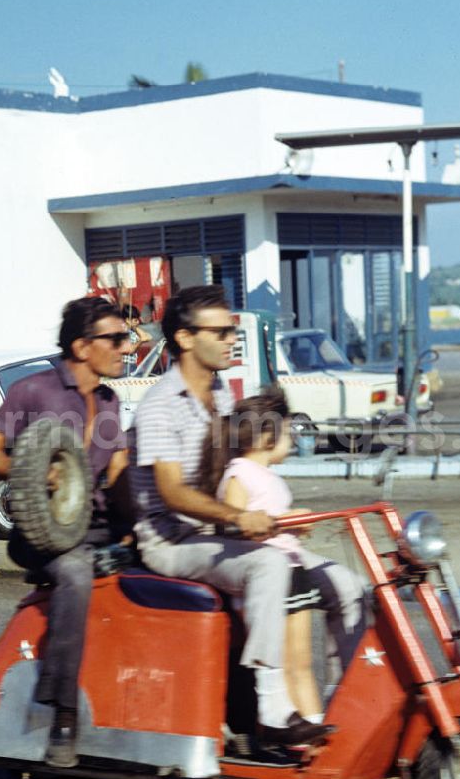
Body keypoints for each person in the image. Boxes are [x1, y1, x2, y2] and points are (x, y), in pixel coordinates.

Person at [129, 285, 329, 749]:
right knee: (269, 564)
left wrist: (275, 513)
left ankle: (323, 709)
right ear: (184, 338)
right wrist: (241, 518)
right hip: (171, 542)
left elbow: (240, 468)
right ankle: (274, 708)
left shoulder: (220, 393)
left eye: (232, 331)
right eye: (219, 332)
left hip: (212, 534)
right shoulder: (159, 404)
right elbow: (172, 491)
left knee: (337, 580)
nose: (230, 340)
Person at [0, 296, 133, 767]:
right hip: (43, 537)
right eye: (116, 339)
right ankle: (61, 713)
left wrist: (145, 521)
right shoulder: (33, 391)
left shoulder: (109, 400)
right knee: (78, 574)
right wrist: (37, 472)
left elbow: (118, 470)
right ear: (83, 346)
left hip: (97, 527)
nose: (127, 347)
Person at [203, 387, 368, 719]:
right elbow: (234, 526)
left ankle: (316, 727)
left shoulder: (265, 474)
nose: (292, 440)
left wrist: (291, 524)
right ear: (266, 436)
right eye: (288, 433)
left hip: (293, 571)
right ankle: (296, 730)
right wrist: (282, 523)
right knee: (291, 663)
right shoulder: (238, 474)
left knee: (301, 663)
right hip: (272, 579)